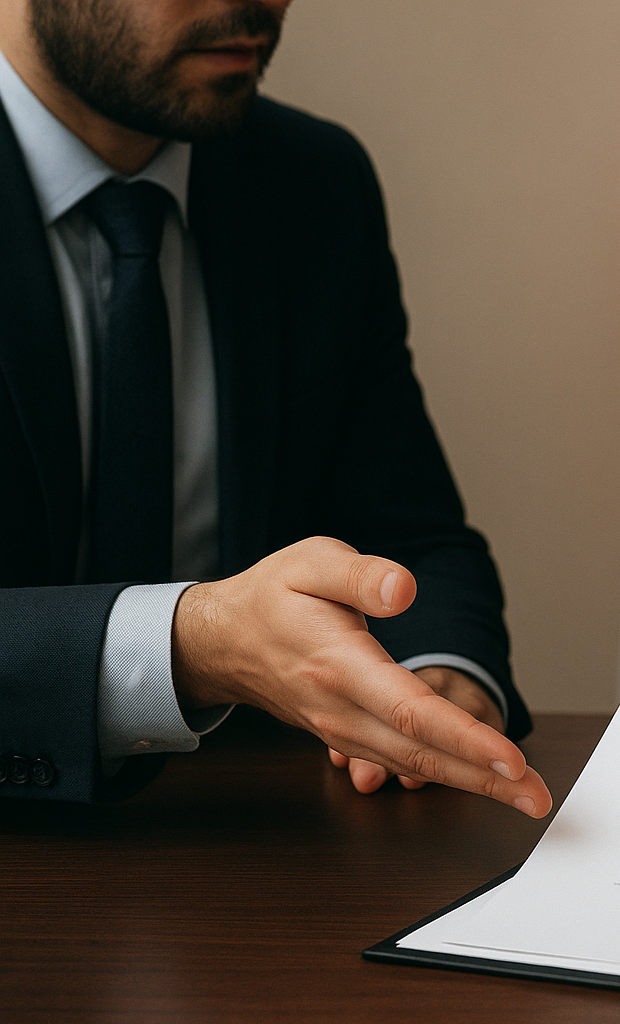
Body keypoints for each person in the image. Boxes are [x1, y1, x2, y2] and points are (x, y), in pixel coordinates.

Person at [0, 0, 551, 818]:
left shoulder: (312, 180)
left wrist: (436, 678)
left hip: (263, 845)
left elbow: (410, 536)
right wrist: (194, 645)